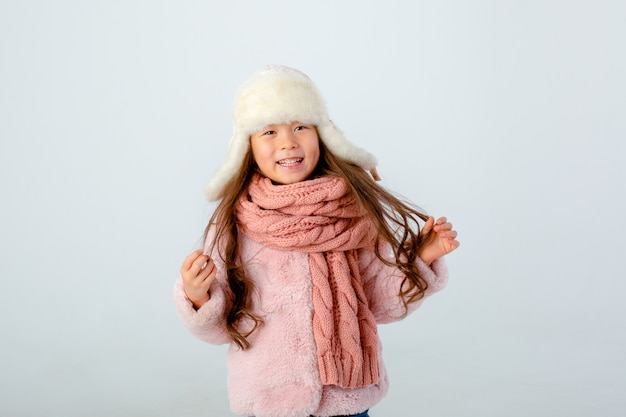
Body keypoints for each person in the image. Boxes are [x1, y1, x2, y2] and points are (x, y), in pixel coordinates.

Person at [174, 65, 459, 417]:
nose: (287, 142)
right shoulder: (236, 219)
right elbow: (220, 329)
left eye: (300, 126)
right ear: (247, 146)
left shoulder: (352, 211)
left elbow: (379, 302)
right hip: (268, 401)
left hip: (346, 399)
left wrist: (420, 259)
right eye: (269, 131)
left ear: (322, 135)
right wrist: (198, 295)